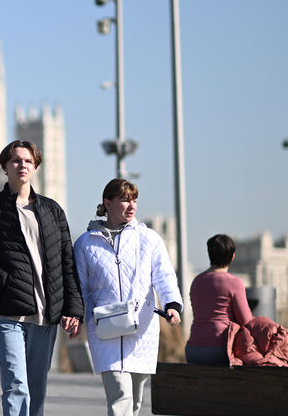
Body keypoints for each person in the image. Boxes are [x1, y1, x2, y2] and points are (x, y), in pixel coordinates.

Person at [0, 140, 83, 416]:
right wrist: (1, 280)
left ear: (35, 166)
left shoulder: (52, 211)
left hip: (46, 315)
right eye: (15, 160)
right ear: (5, 166)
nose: (22, 165)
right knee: (16, 385)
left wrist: (74, 308)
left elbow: (67, 262)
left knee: (37, 388)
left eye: (27, 161)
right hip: (7, 313)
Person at [73, 178, 183, 416]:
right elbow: (79, 286)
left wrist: (172, 304)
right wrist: (75, 317)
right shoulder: (85, 243)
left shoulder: (149, 239)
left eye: (134, 200)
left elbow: (164, 275)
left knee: (135, 402)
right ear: (107, 203)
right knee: (120, 397)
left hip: (141, 330)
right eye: (124, 200)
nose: (132, 205)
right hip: (105, 328)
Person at [185, 234, 254, 366]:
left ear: (209, 254)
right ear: (232, 256)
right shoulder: (234, 282)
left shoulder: (197, 281)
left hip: (193, 350)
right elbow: (246, 321)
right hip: (220, 351)